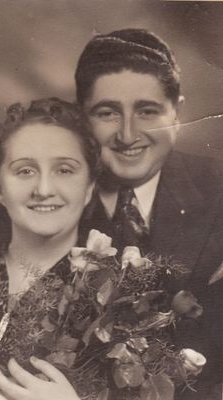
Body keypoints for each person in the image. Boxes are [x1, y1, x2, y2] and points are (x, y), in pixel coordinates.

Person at [75, 28, 223, 399]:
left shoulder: (218, 185)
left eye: (148, 111)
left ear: (177, 114)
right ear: (82, 120)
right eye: (107, 112)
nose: (128, 135)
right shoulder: (50, 202)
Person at [0, 97, 100, 399]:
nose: (44, 190)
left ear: (88, 188)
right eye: (25, 171)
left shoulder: (119, 299)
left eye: (64, 170)